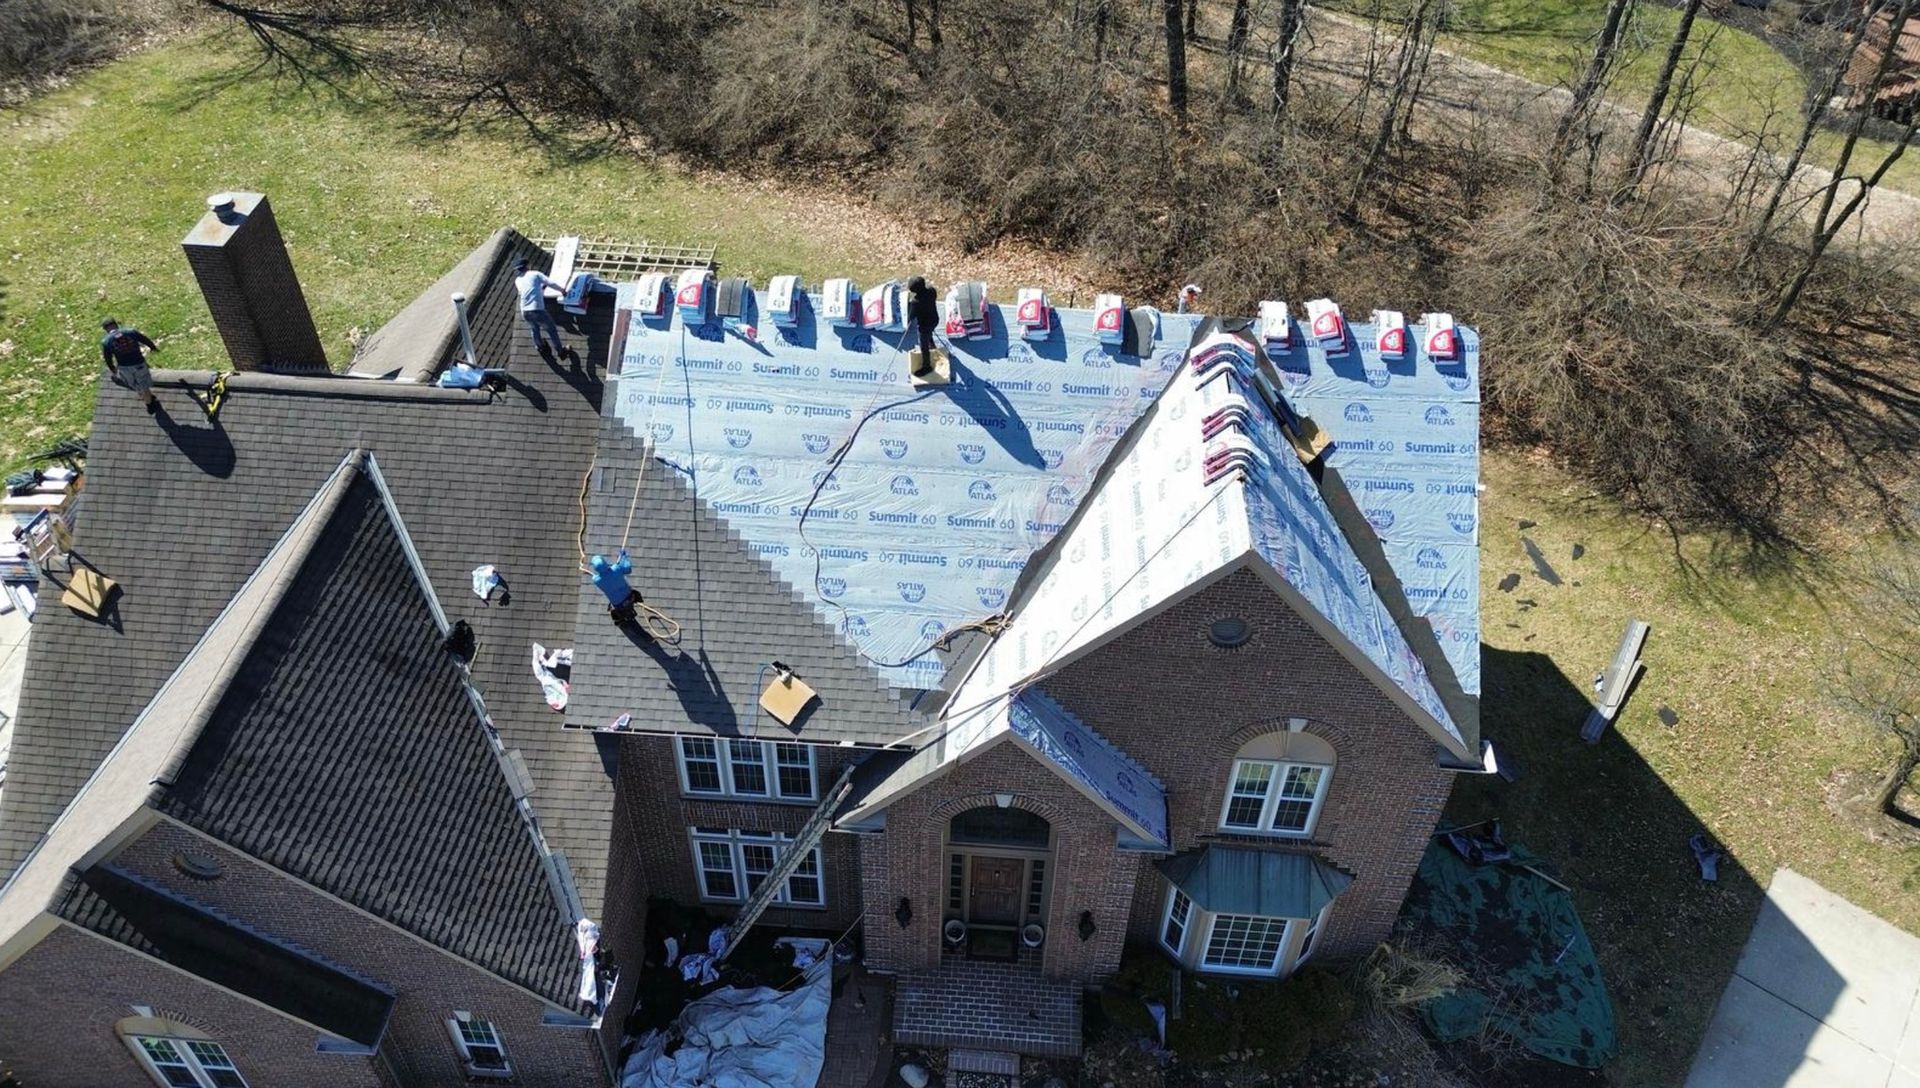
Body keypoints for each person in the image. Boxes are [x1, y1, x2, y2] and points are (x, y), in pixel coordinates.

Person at [100, 318, 160, 412]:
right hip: (139, 364)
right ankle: (150, 405)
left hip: (124, 368)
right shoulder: (131, 332)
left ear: (106, 329)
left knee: (135, 385)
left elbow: (108, 358)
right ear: (116, 324)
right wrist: (153, 347)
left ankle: (147, 397)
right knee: (144, 385)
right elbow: (145, 340)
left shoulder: (106, 342)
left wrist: (112, 369)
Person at [514, 258, 566, 355]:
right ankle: (561, 351)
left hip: (525, 311)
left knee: (534, 328)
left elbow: (527, 290)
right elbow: (550, 283)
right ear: (528, 265)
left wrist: (540, 288)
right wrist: (562, 290)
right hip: (537, 310)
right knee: (551, 330)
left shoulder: (517, 280)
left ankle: (540, 347)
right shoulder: (535, 274)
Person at [586, 549, 640, 626]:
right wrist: (624, 557)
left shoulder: (597, 580)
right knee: (626, 604)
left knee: (613, 609)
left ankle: (620, 619)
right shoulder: (616, 568)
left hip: (618, 604)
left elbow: (596, 577)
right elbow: (628, 569)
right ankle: (629, 611)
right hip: (630, 596)